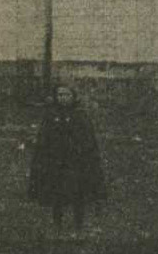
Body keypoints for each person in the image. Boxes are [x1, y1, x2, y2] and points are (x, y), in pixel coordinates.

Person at [27, 84, 106, 234]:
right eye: (60, 95)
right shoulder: (51, 116)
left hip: (75, 162)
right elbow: (44, 138)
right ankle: (58, 225)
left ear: (73, 96)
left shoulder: (80, 115)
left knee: (78, 194)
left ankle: (78, 225)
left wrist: (82, 153)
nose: (63, 98)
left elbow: (88, 139)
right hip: (56, 162)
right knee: (57, 194)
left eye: (67, 95)